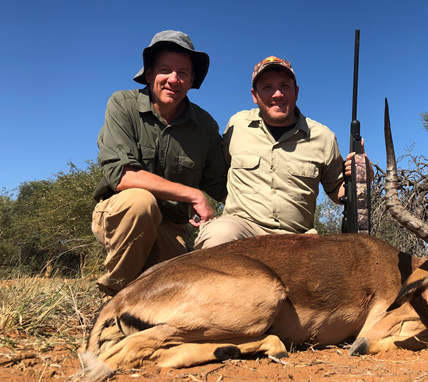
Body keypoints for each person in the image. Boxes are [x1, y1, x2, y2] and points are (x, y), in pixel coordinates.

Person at [92, 30, 227, 296]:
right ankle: (115, 297)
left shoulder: (206, 126)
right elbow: (123, 176)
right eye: (165, 70)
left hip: (172, 227)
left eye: (183, 73)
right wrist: (191, 194)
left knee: (169, 295)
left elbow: (222, 185)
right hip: (120, 213)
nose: (173, 80)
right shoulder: (122, 104)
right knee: (140, 202)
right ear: (150, 74)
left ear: (191, 81)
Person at [194, 55, 372, 249]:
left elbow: (338, 192)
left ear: (296, 92)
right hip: (242, 226)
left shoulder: (323, 136)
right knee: (218, 236)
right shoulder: (237, 125)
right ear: (254, 95)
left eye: (285, 86)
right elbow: (217, 171)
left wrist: (361, 177)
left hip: (299, 235)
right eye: (267, 87)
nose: (277, 94)